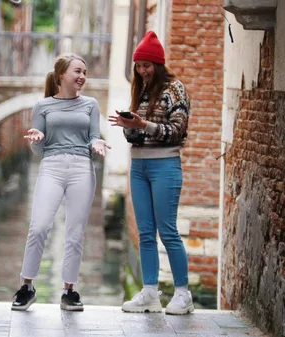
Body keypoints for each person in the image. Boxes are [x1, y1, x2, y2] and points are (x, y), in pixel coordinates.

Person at [11, 53, 111, 311]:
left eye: (84, 73)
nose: (82, 77)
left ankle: (69, 290)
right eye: (77, 71)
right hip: (52, 166)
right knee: (39, 226)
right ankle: (27, 286)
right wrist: (38, 139)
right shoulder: (42, 106)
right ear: (61, 75)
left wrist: (97, 142)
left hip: (81, 167)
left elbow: (92, 137)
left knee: (75, 232)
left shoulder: (90, 104)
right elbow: (38, 151)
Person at [108, 31, 194, 315]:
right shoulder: (141, 90)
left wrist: (144, 125)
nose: (142, 71)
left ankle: (182, 294)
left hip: (165, 165)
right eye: (138, 65)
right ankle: (149, 293)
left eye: (147, 65)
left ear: (158, 64)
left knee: (168, 231)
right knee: (146, 233)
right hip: (139, 166)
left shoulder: (175, 89)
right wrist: (128, 125)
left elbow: (175, 132)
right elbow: (137, 138)